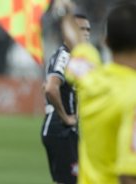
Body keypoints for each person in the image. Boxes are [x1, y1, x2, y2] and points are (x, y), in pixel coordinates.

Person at [60, 1, 136, 184]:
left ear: (106, 41)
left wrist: (65, 12)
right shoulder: (133, 96)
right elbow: (129, 176)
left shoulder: (89, 76)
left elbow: (76, 41)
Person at [41, 13, 91, 184]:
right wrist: (66, 117)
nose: (85, 33)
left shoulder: (76, 58)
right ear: (69, 32)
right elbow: (50, 88)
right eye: (81, 28)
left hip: (64, 129)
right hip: (60, 127)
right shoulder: (65, 55)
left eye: (87, 29)